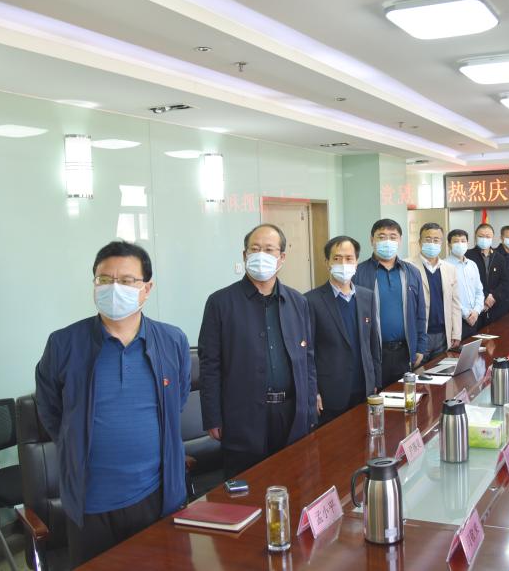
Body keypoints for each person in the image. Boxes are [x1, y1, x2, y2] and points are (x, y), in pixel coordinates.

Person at [35, 241, 191, 566]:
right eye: (104, 280)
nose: (114, 288)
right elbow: (50, 410)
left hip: (156, 496)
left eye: (127, 280)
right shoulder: (64, 344)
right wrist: (74, 442)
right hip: (90, 504)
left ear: (147, 289)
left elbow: (175, 403)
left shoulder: (172, 341)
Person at [199, 224, 317, 478]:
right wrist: (212, 417)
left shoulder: (298, 302)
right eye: (255, 249)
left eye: (269, 249)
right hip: (243, 416)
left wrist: (309, 409)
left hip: (290, 414)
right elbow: (210, 364)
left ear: (281, 257)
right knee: (247, 486)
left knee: (293, 482)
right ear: (244, 255)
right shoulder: (220, 302)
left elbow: (307, 361)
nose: (261, 255)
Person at [305, 236, 381, 424]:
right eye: (337, 258)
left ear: (356, 262)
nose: (344, 264)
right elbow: (307, 353)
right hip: (330, 393)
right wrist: (313, 391)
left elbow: (373, 343)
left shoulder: (367, 296)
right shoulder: (310, 300)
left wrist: (375, 381)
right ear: (327, 262)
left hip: (364, 388)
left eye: (349, 258)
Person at [354, 218, 428, 387]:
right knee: (376, 398)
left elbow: (421, 313)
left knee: (406, 396)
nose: (387, 241)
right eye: (381, 237)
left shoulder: (412, 272)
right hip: (374, 353)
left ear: (400, 240)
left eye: (393, 237)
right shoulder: (358, 273)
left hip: (405, 351)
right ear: (372, 240)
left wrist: (421, 346)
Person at [408, 222, 462, 359]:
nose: (432, 243)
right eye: (428, 239)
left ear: (442, 243)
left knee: (442, 371)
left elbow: (455, 303)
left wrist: (456, 333)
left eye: (436, 240)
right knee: (418, 371)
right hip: (419, 334)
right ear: (420, 242)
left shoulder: (450, 269)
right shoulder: (407, 266)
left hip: (443, 335)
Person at [445, 229, 485, 339]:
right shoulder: (444, 266)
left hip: (475, 318)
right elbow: (447, 296)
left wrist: (476, 311)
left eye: (463, 241)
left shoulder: (472, 265)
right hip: (456, 320)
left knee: (474, 348)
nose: (460, 244)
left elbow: (479, 291)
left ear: (467, 243)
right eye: (456, 241)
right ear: (449, 244)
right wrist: (466, 314)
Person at [465, 223, 496, 318]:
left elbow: (504, 282)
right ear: (475, 237)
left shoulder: (499, 257)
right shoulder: (467, 256)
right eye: (481, 236)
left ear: (493, 238)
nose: (484, 239)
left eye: (488, 236)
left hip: (495, 305)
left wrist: (492, 297)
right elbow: (467, 281)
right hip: (474, 308)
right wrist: (485, 296)